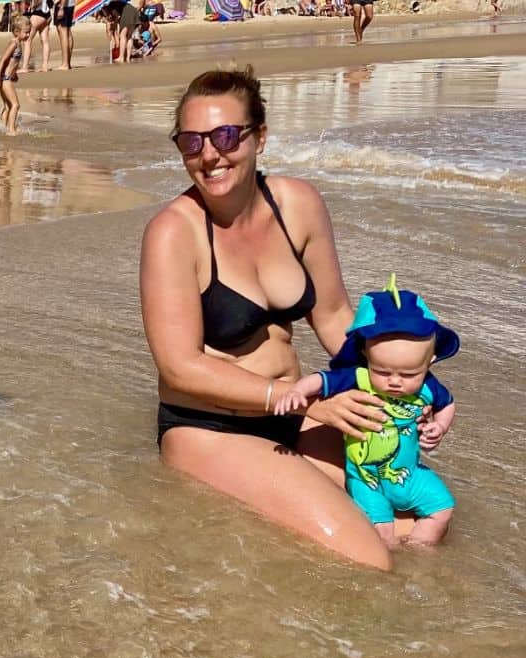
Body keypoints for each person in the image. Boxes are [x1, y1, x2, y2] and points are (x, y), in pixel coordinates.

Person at [137, 65, 446, 571]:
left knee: (414, 522)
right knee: (370, 556)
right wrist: (300, 403)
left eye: (226, 135)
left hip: (303, 415)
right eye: (191, 143)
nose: (210, 155)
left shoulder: (297, 205)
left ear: (260, 136)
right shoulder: (174, 233)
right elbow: (180, 367)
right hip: (213, 429)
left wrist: (407, 383)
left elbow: (334, 317)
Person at [274, 276, 459, 549]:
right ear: (365, 353)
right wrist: (296, 391)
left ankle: (421, 551)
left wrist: (440, 426)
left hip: (409, 475)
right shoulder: (358, 377)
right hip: (367, 478)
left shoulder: (429, 387)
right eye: (383, 371)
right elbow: (321, 379)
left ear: (430, 361)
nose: (395, 381)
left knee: (443, 509)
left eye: (409, 374)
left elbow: (448, 404)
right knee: (382, 532)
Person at [0, 16, 31, 136]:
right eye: (26, 32)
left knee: (8, 106)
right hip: (4, 79)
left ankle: (3, 127)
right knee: (15, 104)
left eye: (29, 32)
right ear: (16, 32)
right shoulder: (14, 43)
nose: (28, 35)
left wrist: (14, 74)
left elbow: (11, 63)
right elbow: (3, 60)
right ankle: (11, 130)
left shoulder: (19, 43)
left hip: (7, 78)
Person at [19, 0, 51, 73]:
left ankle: (24, 67)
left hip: (38, 14)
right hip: (47, 13)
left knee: (27, 40)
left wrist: (32, 6)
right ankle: (45, 66)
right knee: (45, 41)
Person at [53, 0, 74, 70]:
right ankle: (67, 62)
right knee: (67, 33)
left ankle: (65, 63)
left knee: (63, 34)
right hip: (70, 5)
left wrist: (61, 8)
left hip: (62, 5)